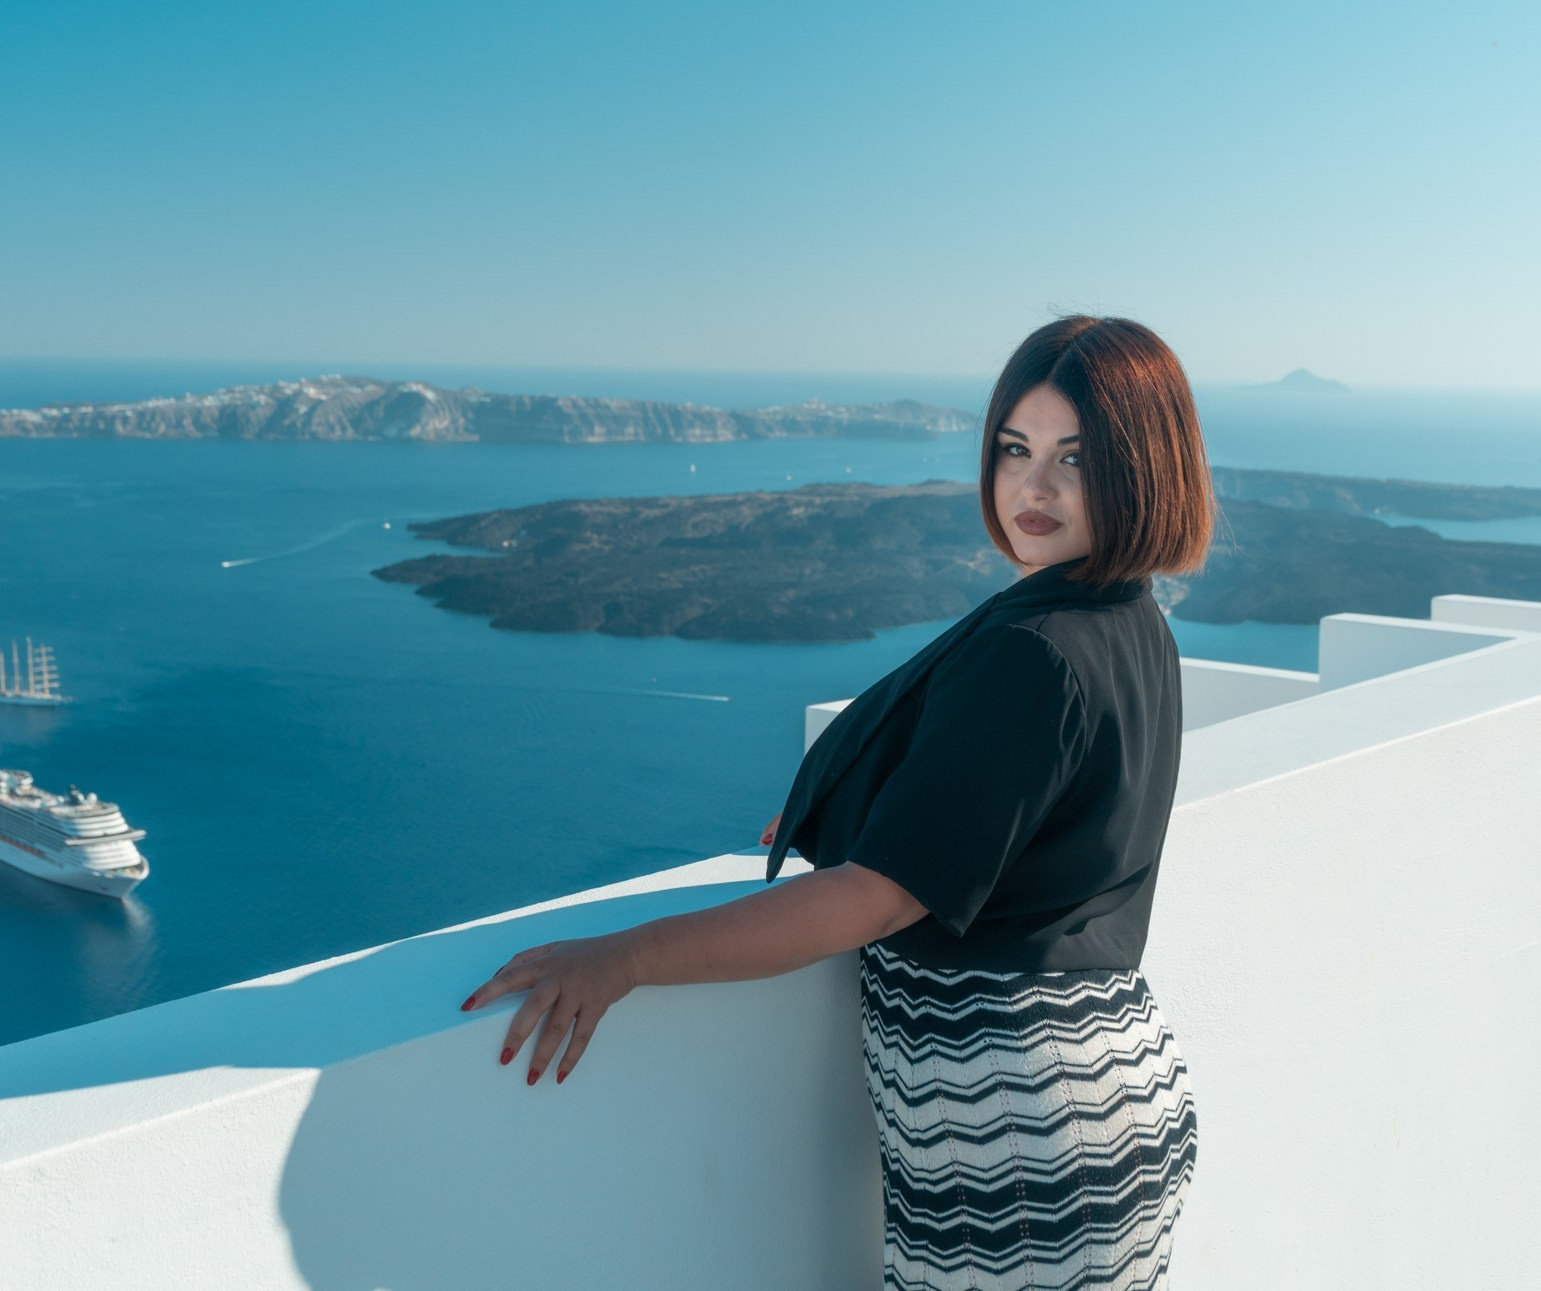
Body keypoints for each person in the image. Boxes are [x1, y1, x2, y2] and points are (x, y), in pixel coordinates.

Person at [462, 314, 1210, 1288]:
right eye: (1014, 450)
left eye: (1077, 458)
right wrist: (870, 805)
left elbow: (877, 898)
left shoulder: (1034, 651)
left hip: (1016, 1130)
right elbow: (1021, 805)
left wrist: (627, 957)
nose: (1033, 486)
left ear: (1144, 469)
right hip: (1095, 1098)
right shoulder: (1123, 615)